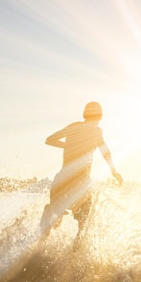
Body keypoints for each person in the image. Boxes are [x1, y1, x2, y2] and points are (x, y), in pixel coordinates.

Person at [40, 101, 123, 241]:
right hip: (80, 182)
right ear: (99, 117)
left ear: (85, 114)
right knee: (82, 222)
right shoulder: (97, 132)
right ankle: (76, 249)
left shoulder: (74, 127)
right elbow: (105, 152)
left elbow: (49, 140)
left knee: (55, 217)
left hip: (62, 178)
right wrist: (114, 171)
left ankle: (38, 252)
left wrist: (69, 146)